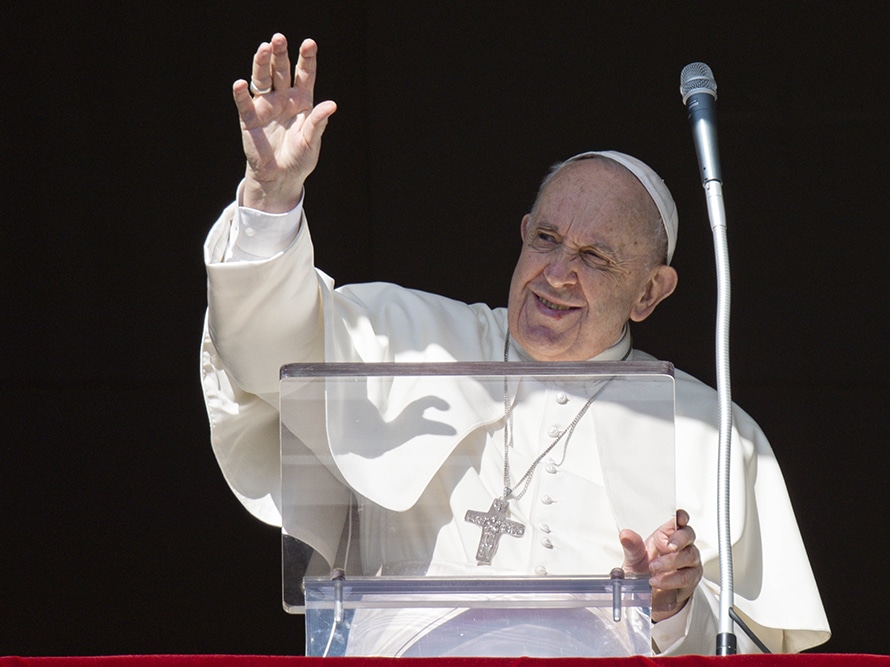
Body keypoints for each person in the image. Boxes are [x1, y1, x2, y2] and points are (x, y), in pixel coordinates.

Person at [200, 33, 830, 655]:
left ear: (649, 293)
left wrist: (673, 610)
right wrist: (270, 199)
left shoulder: (713, 433)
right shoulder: (407, 337)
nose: (557, 274)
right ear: (524, 232)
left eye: (594, 257)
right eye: (548, 239)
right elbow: (265, 351)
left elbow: (751, 643)